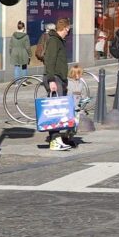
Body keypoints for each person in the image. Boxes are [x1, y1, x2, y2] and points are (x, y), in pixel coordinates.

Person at [43, 18, 74, 151]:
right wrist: (51, 80)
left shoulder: (59, 41)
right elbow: (49, 61)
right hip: (54, 78)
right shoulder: (54, 41)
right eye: (68, 29)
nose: (69, 32)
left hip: (59, 78)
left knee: (59, 111)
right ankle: (55, 140)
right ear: (65, 28)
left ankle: (57, 139)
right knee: (55, 111)